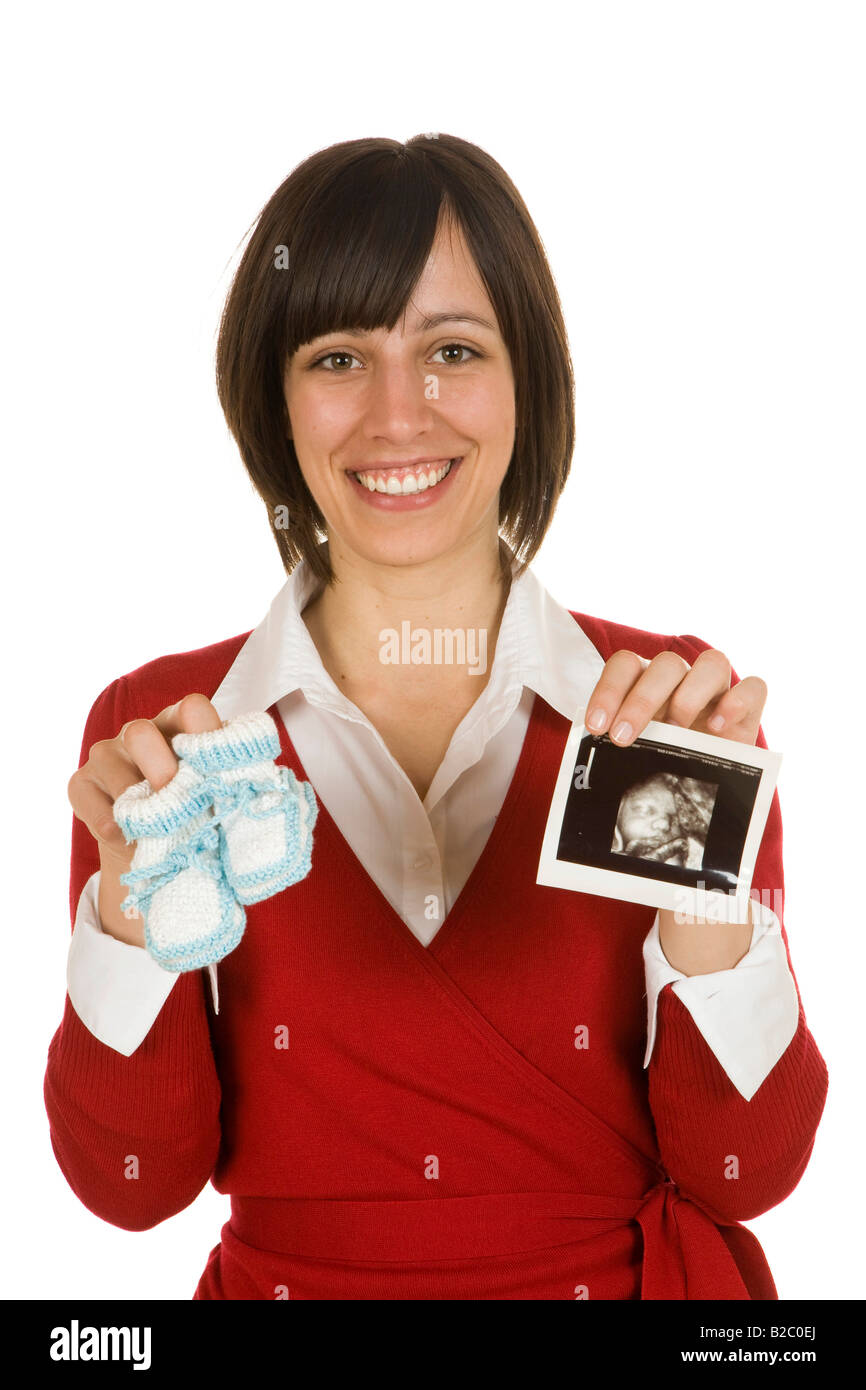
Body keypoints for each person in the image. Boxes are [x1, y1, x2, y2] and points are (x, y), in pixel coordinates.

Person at [44, 134, 828, 1301]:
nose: (396, 414)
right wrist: (128, 909)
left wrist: (700, 897)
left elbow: (743, 1169)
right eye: (337, 357)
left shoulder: (666, 716)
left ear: (527, 383)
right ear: (273, 397)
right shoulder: (160, 731)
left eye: (451, 350)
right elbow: (129, 1185)